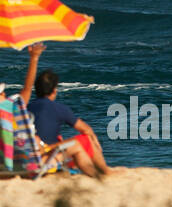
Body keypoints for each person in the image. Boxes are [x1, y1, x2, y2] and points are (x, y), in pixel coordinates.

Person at [21, 43, 112, 177]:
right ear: (54, 91)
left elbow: (26, 88)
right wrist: (96, 143)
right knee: (85, 139)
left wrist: (34, 57)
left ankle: (96, 172)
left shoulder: (25, 108)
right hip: (43, 159)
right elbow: (86, 129)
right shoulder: (59, 109)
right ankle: (104, 171)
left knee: (60, 138)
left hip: (24, 158)